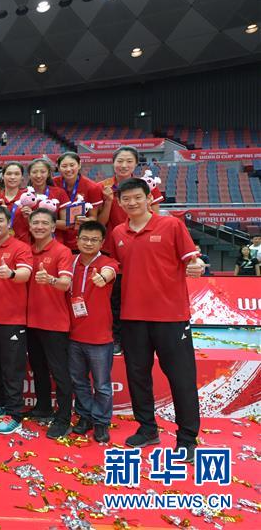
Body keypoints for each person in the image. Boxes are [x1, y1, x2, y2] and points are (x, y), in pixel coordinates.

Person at [108, 178, 204, 461]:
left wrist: (196, 264)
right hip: (132, 317)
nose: (132, 203)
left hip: (171, 317)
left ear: (149, 198)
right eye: (126, 199)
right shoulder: (118, 232)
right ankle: (147, 429)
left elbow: (192, 259)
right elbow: (114, 266)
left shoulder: (171, 225)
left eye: (137, 197)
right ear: (120, 203)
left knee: (181, 378)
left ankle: (187, 438)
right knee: (138, 376)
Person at [97, 146, 164, 355]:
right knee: (115, 297)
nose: (124, 165)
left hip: (142, 248)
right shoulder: (103, 187)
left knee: (142, 293)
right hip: (112, 249)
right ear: (113, 162)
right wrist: (109, 201)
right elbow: (100, 222)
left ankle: (146, 339)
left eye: (129, 161)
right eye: (120, 161)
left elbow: (156, 218)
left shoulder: (147, 185)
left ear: (136, 164)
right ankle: (116, 338)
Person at [0, 205, 33, 435]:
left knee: (12, 367)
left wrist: (11, 274)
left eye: (0, 220)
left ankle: (15, 413)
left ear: (8, 223)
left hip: (12, 318)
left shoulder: (20, 247)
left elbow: (25, 274)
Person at [24, 209, 75, 439]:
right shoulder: (27, 250)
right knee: (38, 368)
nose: (40, 226)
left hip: (54, 322)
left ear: (54, 227)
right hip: (31, 320)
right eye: (35, 223)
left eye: (45, 223)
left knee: (60, 373)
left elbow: (65, 283)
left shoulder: (61, 251)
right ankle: (43, 407)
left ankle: (63, 418)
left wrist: (50, 279)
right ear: (30, 226)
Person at [68, 220, 119, 444]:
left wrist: (102, 277)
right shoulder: (71, 262)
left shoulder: (108, 263)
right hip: (73, 335)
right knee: (79, 382)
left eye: (94, 240)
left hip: (100, 337)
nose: (89, 243)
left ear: (102, 242)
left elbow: (110, 272)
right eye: (85, 239)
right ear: (77, 240)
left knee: (102, 385)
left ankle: (101, 422)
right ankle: (85, 416)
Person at [54, 152, 102, 250]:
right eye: (64, 166)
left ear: (79, 165)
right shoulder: (53, 184)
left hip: (80, 239)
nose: (68, 169)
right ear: (58, 168)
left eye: (72, 165)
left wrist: (87, 220)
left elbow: (93, 217)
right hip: (57, 238)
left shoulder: (92, 187)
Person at [0, 162, 30, 243]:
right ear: (2, 176)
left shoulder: (28, 198)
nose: (12, 177)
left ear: (22, 177)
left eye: (17, 174)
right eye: (9, 174)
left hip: (23, 245)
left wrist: (30, 216)